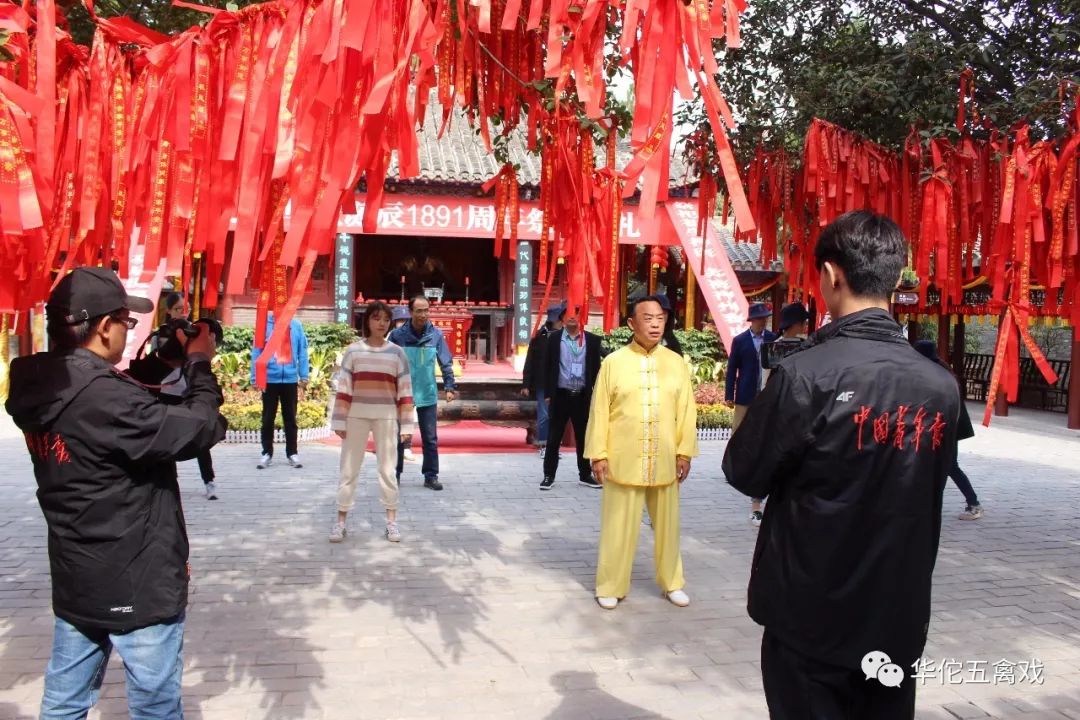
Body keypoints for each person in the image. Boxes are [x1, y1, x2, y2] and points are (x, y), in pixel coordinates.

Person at [722, 211, 965, 720]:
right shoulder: (940, 386)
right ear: (896, 278)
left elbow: (744, 471)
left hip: (809, 614)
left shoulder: (803, 374)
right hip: (897, 611)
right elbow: (934, 475)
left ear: (830, 276)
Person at [5, 266, 224, 719]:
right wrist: (200, 362)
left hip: (77, 573)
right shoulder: (105, 400)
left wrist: (161, 360)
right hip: (136, 577)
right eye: (126, 322)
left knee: (65, 699)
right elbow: (200, 427)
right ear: (105, 327)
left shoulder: (41, 381)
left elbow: (109, 399)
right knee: (154, 704)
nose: (128, 330)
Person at [586, 294, 698, 610]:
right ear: (631, 323)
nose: (655, 324)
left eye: (660, 318)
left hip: (664, 458)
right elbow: (599, 411)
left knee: (668, 528)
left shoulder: (675, 363)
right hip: (622, 459)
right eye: (647, 318)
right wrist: (598, 453)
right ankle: (610, 584)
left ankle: (672, 582)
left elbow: (687, 411)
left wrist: (684, 452)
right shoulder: (613, 363)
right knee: (617, 528)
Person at [330, 301, 414, 543]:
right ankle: (340, 522)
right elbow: (344, 388)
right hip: (356, 415)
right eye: (376, 318)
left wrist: (407, 426)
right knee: (348, 470)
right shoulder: (353, 351)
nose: (382, 323)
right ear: (367, 320)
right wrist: (340, 420)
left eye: (386, 320)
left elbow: (405, 392)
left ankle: (391, 522)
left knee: (388, 470)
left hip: (386, 417)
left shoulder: (397, 353)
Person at [154, 292, 219, 500]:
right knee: (166, 440)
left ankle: (209, 480)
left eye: (186, 309)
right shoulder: (161, 335)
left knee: (200, 438)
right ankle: (166, 482)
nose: (183, 313)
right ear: (169, 311)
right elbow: (155, 362)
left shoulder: (195, 334)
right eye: (178, 309)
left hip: (189, 391)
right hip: (166, 392)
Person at [389, 294, 457, 491]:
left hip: (426, 391)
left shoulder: (435, 335)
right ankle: (395, 474)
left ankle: (431, 475)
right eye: (419, 311)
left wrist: (449, 386)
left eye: (426, 310)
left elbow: (445, 361)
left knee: (430, 437)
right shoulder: (397, 336)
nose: (423, 314)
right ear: (411, 312)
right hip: (403, 393)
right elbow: (389, 363)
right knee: (399, 436)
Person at [914, 339, 983, 520]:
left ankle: (974, 504)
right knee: (943, 466)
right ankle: (930, 505)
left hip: (946, 427)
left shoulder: (937, 374)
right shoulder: (941, 370)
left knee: (949, 466)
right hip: (945, 426)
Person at [725, 302, 778, 527]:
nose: (763, 321)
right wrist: (729, 393)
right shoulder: (740, 341)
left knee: (762, 434)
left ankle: (756, 465)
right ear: (752, 321)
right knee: (739, 432)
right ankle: (733, 467)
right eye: (760, 318)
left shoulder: (773, 339)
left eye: (765, 318)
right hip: (745, 393)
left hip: (765, 394)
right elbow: (732, 369)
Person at [541, 306, 603, 490]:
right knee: (554, 437)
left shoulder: (591, 341)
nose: (572, 318)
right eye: (567, 315)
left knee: (583, 437)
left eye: (576, 314)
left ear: (582, 317)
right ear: (562, 319)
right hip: (560, 395)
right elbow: (546, 366)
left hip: (582, 396)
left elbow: (597, 370)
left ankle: (585, 474)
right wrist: (547, 394)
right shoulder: (554, 340)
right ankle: (548, 475)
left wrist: (597, 394)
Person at [252, 311, 310, 469]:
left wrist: (304, 374)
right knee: (267, 418)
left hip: (290, 379)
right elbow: (256, 351)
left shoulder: (296, 325)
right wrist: (255, 377)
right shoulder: (264, 326)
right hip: (269, 379)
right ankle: (266, 453)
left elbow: (302, 351)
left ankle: (292, 453)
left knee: (290, 418)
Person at [521, 305, 564, 455]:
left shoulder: (565, 336)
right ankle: (544, 445)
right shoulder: (539, 337)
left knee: (558, 415)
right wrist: (526, 383)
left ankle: (555, 446)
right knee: (544, 414)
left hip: (561, 382)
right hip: (543, 383)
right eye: (560, 319)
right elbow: (530, 361)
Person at [760, 302, 810, 386]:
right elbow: (765, 382)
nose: (806, 324)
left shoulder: (804, 345)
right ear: (796, 324)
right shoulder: (772, 348)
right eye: (804, 321)